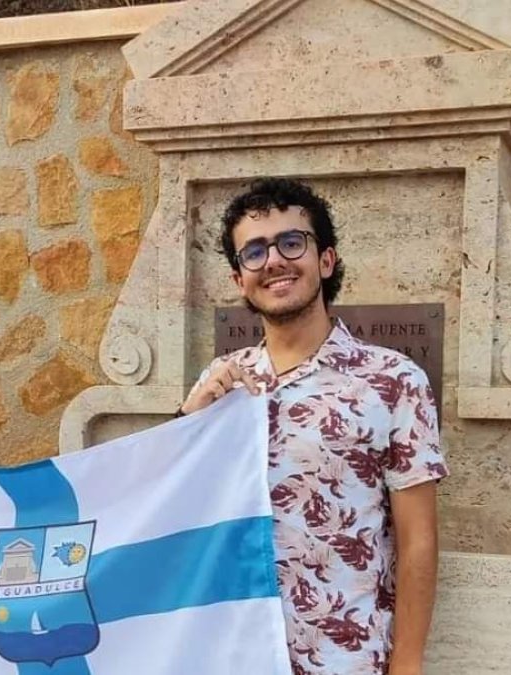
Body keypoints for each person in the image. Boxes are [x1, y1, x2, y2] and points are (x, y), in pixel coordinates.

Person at [178, 178, 447, 675]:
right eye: (254, 252)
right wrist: (191, 420)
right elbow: (183, 513)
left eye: (291, 242)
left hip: (345, 657)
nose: (274, 261)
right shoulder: (220, 381)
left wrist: (408, 662)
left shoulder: (393, 380)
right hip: (233, 652)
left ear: (325, 261)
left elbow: (418, 538)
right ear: (241, 279)